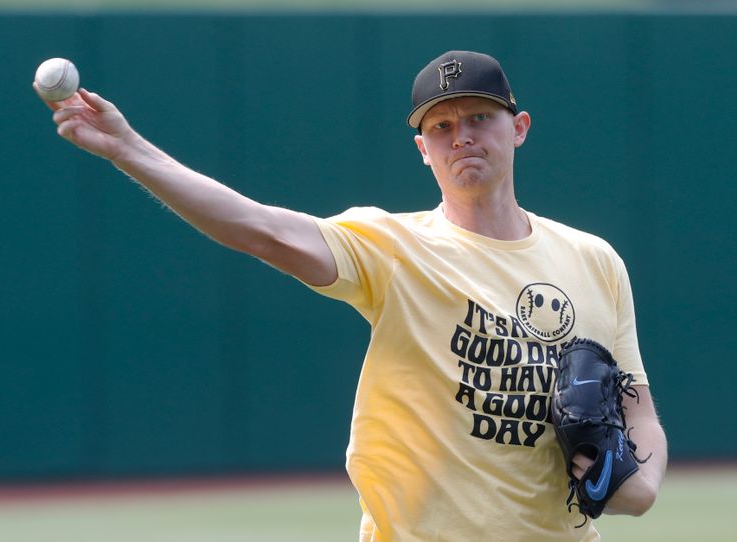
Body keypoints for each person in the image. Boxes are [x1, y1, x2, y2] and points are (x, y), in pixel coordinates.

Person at [36, 50, 667, 541]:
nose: (461, 137)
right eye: (441, 126)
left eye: (479, 117)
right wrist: (128, 149)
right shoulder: (393, 246)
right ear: (423, 150)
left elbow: (634, 402)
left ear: (519, 127)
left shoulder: (593, 260)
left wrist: (642, 484)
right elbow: (258, 228)